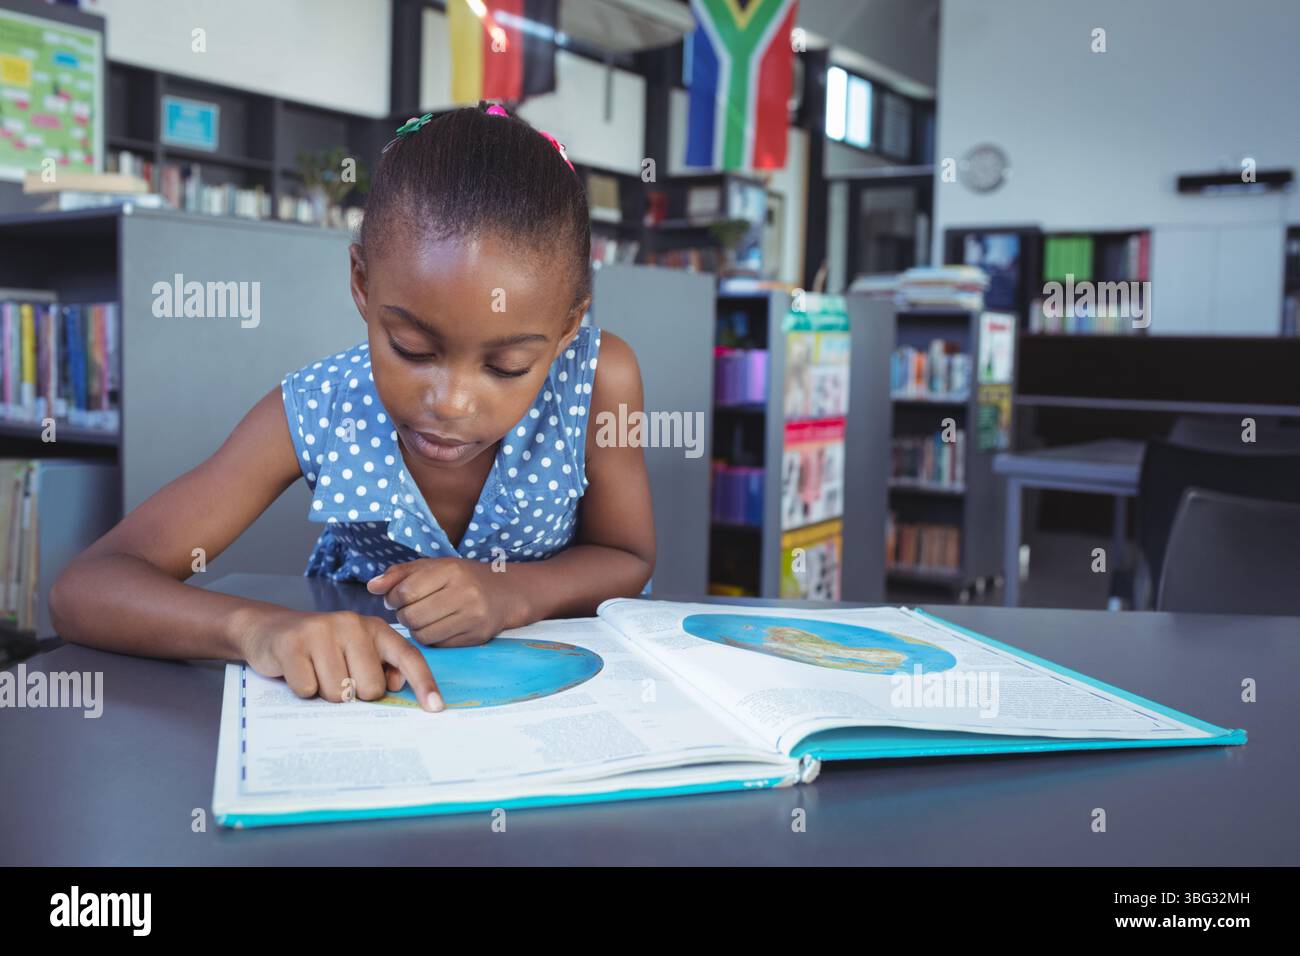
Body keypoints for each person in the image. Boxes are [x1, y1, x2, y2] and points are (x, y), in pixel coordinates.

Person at [51, 104, 655, 712]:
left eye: (506, 368)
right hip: (374, 700)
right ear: (363, 284)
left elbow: (627, 557)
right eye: (412, 349)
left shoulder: (601, 378)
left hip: (561, 699)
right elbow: (89, 586)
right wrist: (257, 629)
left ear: (568, 326)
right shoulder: (321, 407)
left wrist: (512, 593)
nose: (450, 402)